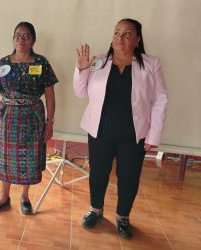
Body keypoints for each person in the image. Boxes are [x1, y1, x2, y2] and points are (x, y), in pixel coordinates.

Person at [73, 18, 168, 238]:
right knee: (98, 173)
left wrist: (154, 134)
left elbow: (160, 99)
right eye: (117, 33)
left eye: (127, 33)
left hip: (134, 134)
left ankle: (123, 216)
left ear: (137, 39)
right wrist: (81, 68)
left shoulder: (151, 64)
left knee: (129, 176)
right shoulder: (97, 61)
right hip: (100, 131)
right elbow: (81, 93)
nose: (120, 38)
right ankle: (96, 209)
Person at [0, 22, 58, 214]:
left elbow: (50, 95)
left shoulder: (41, 63)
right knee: (5, 157)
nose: (21, 40)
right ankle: (4, 197)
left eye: (26, 36)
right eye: (17, 36)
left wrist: (50, 123)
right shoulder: (4, 64)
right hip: (8, 118)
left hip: (33, 118)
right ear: (13, 39)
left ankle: (24, 196)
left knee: (29, 158)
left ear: (33, 40)